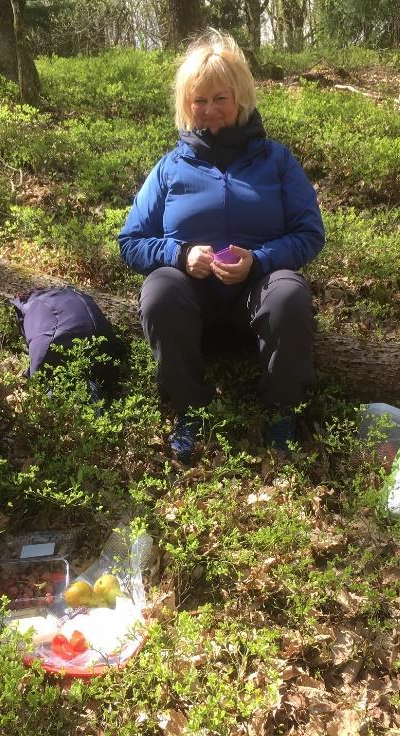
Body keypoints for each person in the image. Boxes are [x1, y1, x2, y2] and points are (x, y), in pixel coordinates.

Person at [118, 29, 324, 463]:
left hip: (259, 291)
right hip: (193, 299)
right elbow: (131, 240)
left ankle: (282, 413)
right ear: (186, 105)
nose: (209, 110)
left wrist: (260, 261)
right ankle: (190, 409)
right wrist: (179, 255)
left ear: (241, 97)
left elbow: (310, 233)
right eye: (199, 101)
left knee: (290, 291)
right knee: (159, 289)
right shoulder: (170, 167)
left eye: (220, 99)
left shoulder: (277, 160)